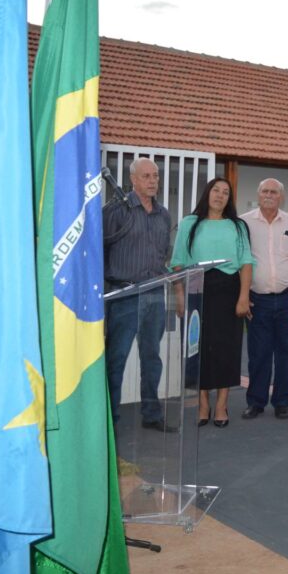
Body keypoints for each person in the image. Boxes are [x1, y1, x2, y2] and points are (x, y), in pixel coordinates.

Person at [170, 178, 254, 427]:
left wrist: (244, 296)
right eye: (216, 190)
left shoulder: (237, 226)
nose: (220, 195)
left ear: (230, 199)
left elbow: (246, 262)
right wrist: (179, 295)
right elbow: (177, 261)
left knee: (226, 348)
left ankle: (221, 405)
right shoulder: (189, 223)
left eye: (225, 192)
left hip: (229, 290)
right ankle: (203, 403)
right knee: (200, 348)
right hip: (197, 288)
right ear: (207, 194)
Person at [104, 157, 173, 432]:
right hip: (124, 294)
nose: (153, 180)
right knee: (116, 358)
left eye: (155, 176)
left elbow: (161, 252)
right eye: (147, 176)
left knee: (152, 357)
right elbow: (100, 250)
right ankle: (110, 420)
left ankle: (152, 415)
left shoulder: (164, 215)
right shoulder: (115, 212)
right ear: (133, 180)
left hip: (155, 293)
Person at [240, 179, 288, 420]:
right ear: (258, 194)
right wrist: (242, 296)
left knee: (286, 353)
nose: (269, 195)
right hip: (256, 300)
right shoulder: (244, 222)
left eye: (274, 192)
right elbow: (237, 260)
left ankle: (282, 402)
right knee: (258, 354)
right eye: (265, 191)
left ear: (281, 197)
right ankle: (256, 402)